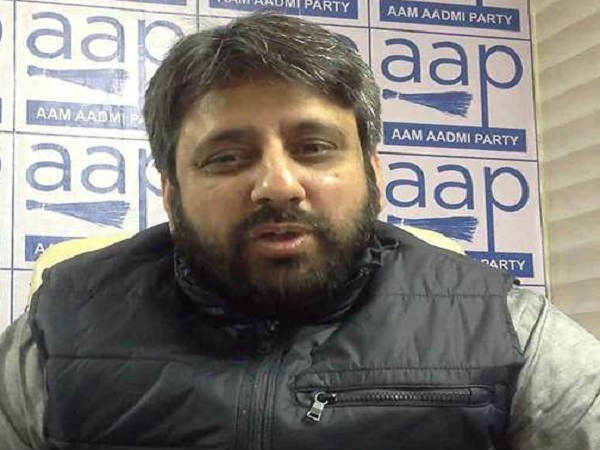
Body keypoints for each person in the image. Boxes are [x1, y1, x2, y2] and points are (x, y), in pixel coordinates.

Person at [0, 11, 598, 450]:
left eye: (313, 147)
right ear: (170, 191)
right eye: (227, 157)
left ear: (373, 172)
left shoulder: (505, 330)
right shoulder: (57, 331)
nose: (279, 185)